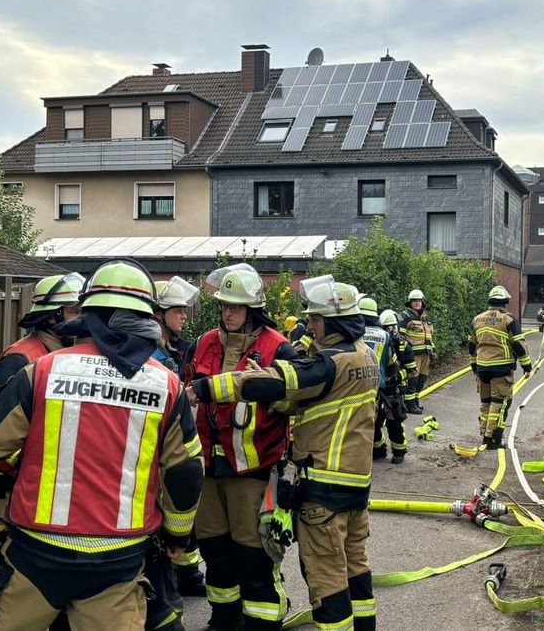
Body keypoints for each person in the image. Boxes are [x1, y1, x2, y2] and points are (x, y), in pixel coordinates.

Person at [0, 259, 204, 631]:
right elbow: (186, 471)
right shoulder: (166, 384)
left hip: (36, 553)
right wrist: (178, 536)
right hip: (118, 558)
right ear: (147, 319)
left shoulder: (43, 369)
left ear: (87, 313)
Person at [187, 275, 379, 631]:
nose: (311, 326)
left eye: (316, 320)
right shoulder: (364, 355)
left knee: (324, 578)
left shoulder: (328, 362)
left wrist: (204, 387)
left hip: (320, 484)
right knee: (354, 567)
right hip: (352, 483)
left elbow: (275, 384)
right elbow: (301, 398)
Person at [188, 263, 297, 631]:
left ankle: (264, 619)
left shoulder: (279, 348)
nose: (228, 313)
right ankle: (223, 616)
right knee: (215, 553)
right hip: (208, 470)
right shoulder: (203, 344)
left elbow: (292, 405)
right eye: (223, 306)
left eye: (235, 307)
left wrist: (258, 386)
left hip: (253, 470)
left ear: (253, 309)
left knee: (253, 554)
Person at [0, 272, 85, 527]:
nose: (83, 321)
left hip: (49, 483)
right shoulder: (21, 358)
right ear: (51, 317)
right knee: (0, 552)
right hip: (12, 485)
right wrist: (30, 460)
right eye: (75, 313)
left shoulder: (65, 356)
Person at [152, 277, 207, 599]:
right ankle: (167, 582)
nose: (184, 315)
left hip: (170, 445)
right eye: (177, 310)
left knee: (182, 513)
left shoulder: (168, 349)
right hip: (158, 451)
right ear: (158, 314)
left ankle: (185, 574)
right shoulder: (151, 353)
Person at [468, 285, 532, 450]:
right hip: (501, 369)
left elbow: (471, 346)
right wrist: (527, 365)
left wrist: (474, 366)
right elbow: (518, 345)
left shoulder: (477, 319)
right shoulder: (508, 320)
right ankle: (494, 440)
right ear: (505, 302)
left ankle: (484, 437)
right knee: (500, 403)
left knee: (486, 403)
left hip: (482, 368)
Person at [360, 298, 406, 464]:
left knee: (368, 422)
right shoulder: (384, 336)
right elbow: (391, 364)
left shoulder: (353, 333)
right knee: (393, 419)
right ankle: (398, 453)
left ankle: (378, 450)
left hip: (359, 385)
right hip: (381, 386)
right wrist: (391, 383)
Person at [399, 289, 435, 415]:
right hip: (413, 356)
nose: (417, 303)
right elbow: (400, 337)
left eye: (419, 300)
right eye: (414, 301)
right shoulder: (405, 317)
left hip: (426, 355)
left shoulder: (425, 319)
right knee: (412, 380)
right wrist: (404, 355)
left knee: (421, 380)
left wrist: (433, 352)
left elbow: (429, 338)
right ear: (410, 302)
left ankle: (415, 401)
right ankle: (409, 404)